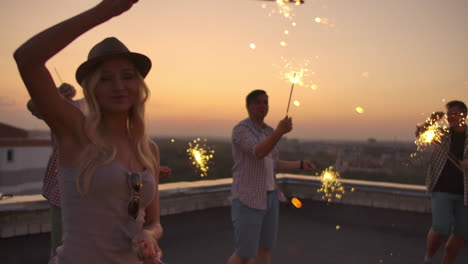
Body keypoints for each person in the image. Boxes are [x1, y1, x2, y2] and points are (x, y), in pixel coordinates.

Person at [14, 1, 163, 263]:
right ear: (91, 88)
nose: (119, 85)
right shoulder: (76, 132)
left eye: (127, 76)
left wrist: (149, 236)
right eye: (106, 78)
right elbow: (27, 59)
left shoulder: (148, 149)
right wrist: (105, 10)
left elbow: (154, 221)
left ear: (139, 85)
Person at [227, 89, 316, 264]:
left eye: (265, 102)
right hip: (248, 199)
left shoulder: (269, 132)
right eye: (258, 102)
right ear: (248, 106)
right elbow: (259, 152)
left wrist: (299, 164)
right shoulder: (241, 130)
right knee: (244, 254)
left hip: (270, 198)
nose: (262, 106)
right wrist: (279, 133)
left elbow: (272, 163)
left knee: (264, 249)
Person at [27, 83, 85, 258]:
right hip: (65, 197)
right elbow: (34, 106)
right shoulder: (73, 108)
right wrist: (55, 95)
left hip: (99, 199)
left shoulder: (118, 113)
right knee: (63, 253)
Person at [417, 100, 468, 264]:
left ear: (464, 115)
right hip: (442, 188)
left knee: (462, 232)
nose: (450, 118)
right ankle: (428, 258)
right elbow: (420, 135)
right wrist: (431, 121)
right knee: (441, 227)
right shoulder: (443, 134)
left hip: (465, 192)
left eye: (454, 114)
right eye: (449, 115)